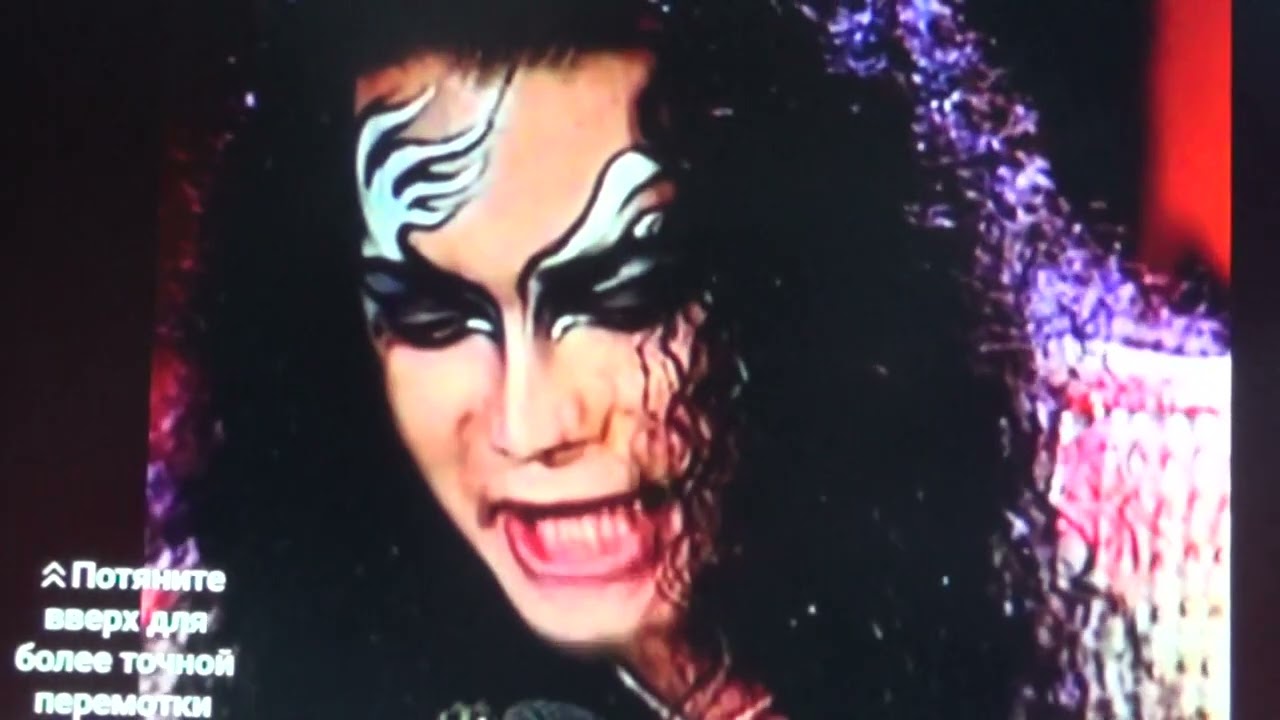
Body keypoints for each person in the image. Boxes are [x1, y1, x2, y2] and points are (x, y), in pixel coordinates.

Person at [161, 0, 1229, 718]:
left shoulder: (1196, 551)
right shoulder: (205, 632)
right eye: (431, 316)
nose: (531, 425)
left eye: (628, 295)